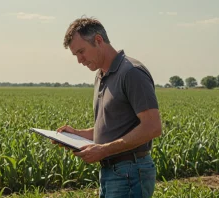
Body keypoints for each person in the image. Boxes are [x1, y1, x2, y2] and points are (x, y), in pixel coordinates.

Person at [56, 17, 162, 198]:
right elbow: (113, 128)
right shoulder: (101, 76)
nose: (80, 60)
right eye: (76, 55)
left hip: (130, 171)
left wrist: (103, 150)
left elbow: (153, 127)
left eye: (82, 52)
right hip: (111, 172)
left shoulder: (131, 72)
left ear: (98, 40)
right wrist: (76, 134)